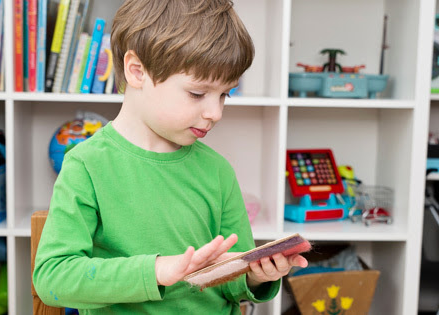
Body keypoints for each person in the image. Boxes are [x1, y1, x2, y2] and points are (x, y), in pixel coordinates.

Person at [32, 0, 308, 313]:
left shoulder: (217, 171)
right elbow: (53, 279)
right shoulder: (87, 164)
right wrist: (157, 271)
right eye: (197, 93)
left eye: (224, 95)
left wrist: (257, 277)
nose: (215, 113)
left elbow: (233, 279)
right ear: (137, 71)